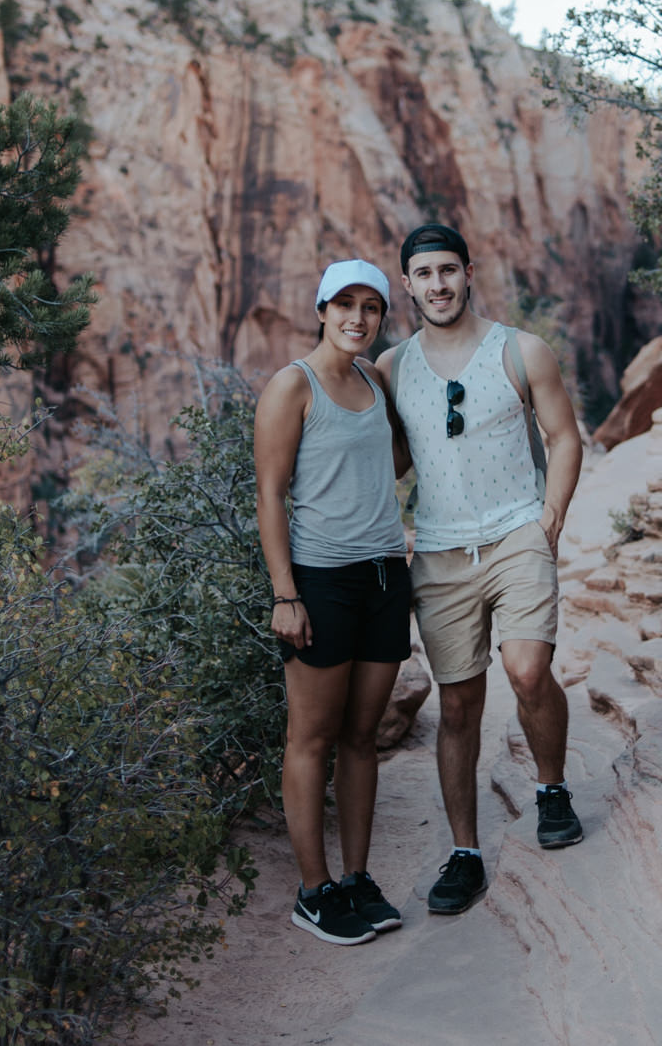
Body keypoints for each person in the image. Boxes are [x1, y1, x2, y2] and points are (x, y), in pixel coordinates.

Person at [375, 223, 585, 917]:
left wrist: (547, 521)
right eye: (423, 274)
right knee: (458, 703)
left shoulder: (521, 351)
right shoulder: (392, 368)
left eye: (447, 270)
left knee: (526, 670)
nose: (437, 285)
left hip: (516, 532)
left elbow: (561, 436)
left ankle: (551, 788)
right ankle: (465, 851)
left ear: (469, 271)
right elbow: (395, 460)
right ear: (406, 284)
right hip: (437, 550)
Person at [254, 259, 415, 946]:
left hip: (385, 574)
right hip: (321, 580)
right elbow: (269, 494)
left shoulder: (375, 379)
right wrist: (284, 593)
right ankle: (313, 892)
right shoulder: (294, 385)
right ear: (321, 308)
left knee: (361, 737)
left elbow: (396, 458)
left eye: (371, 307)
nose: (357, 317)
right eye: (344, 304)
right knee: (311, 738)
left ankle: (355, 878)